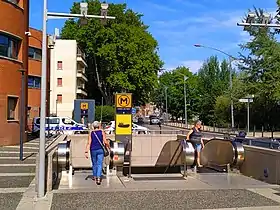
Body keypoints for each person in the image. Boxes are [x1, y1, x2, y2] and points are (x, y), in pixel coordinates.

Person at [85, 121, 110, 185]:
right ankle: (98, 177)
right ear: (99, 126)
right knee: (99, 163)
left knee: (94, 163)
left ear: (93, 126)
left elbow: (89, 143)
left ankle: (95, 176)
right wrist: (108, 147)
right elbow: (105, 141)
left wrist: (86, 151)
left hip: (93, 150)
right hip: (100, 149)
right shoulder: (102, 132)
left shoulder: (91, 133)